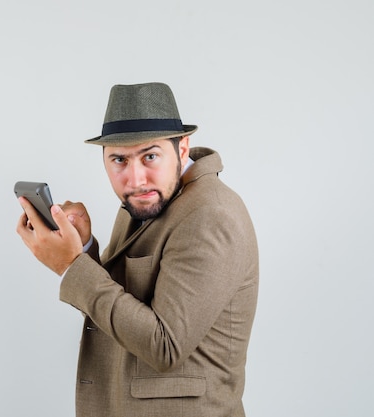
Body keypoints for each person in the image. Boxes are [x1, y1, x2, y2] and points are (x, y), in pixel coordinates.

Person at [16, 82, 258, 417]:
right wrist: (84, 248)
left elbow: (164, 346)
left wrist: (71, 266)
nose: (136, 178)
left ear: (183, 148)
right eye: (119, 160)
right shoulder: (149, 199)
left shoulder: (209, 216)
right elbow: (126, 305)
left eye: (150, 156)